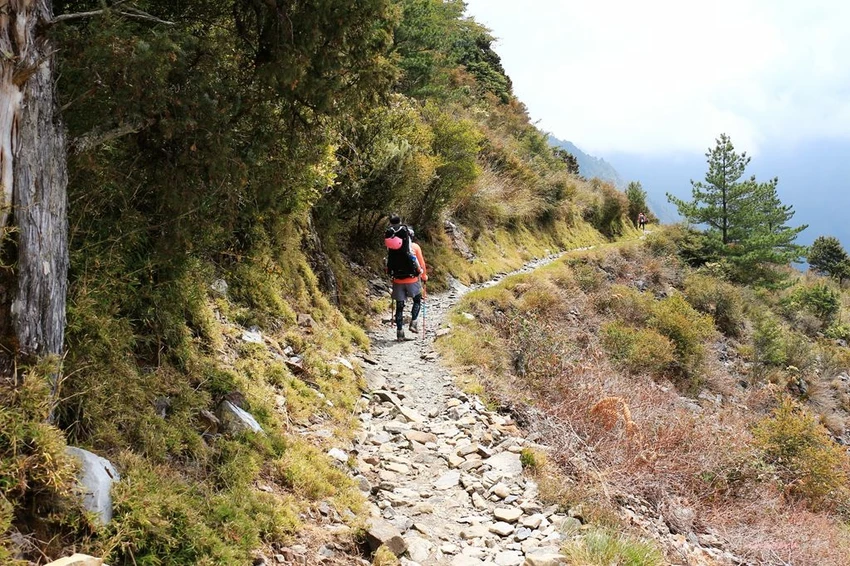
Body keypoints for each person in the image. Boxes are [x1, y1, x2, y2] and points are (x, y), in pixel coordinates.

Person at [386, 217, 427, 341]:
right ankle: (414, 322)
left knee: (399, 306)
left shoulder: (392, 249)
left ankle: (399, 332)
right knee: (417, 300)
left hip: (397, 280)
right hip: (412, 280)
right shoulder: (414, 247)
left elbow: (388, 265)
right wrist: (424, 276)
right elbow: (422, 264)